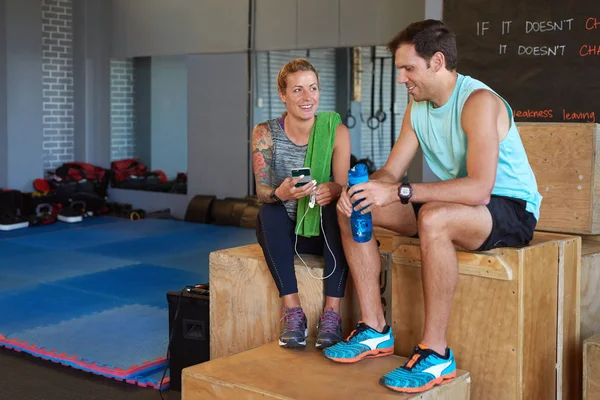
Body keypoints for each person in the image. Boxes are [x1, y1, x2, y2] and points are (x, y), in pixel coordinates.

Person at [323, 19, 542, 393]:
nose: (401, 78)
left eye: (408, 68)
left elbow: (479, 189)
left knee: (435, 220)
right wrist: (365, 189)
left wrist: (400, 193)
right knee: (352, 206)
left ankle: (436, 354)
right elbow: (393, 171)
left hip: (510, 208)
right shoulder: (418, 107)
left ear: (437, 62)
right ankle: (375, 329)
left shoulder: (478, 102)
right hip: (453, 201)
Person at [251, 58, 352, 350]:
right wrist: (281, 193)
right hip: (286, 235)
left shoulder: (336, 132)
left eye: (313, 88)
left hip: (324, 233)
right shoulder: (265, 133)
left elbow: (345, 187)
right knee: (268, 210)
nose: (308, 98)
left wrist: (332, 189)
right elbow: (261, 191)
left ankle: (332, 314)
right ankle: (293, 312)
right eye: (297, 90)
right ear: (283, 95)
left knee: (340, 207)